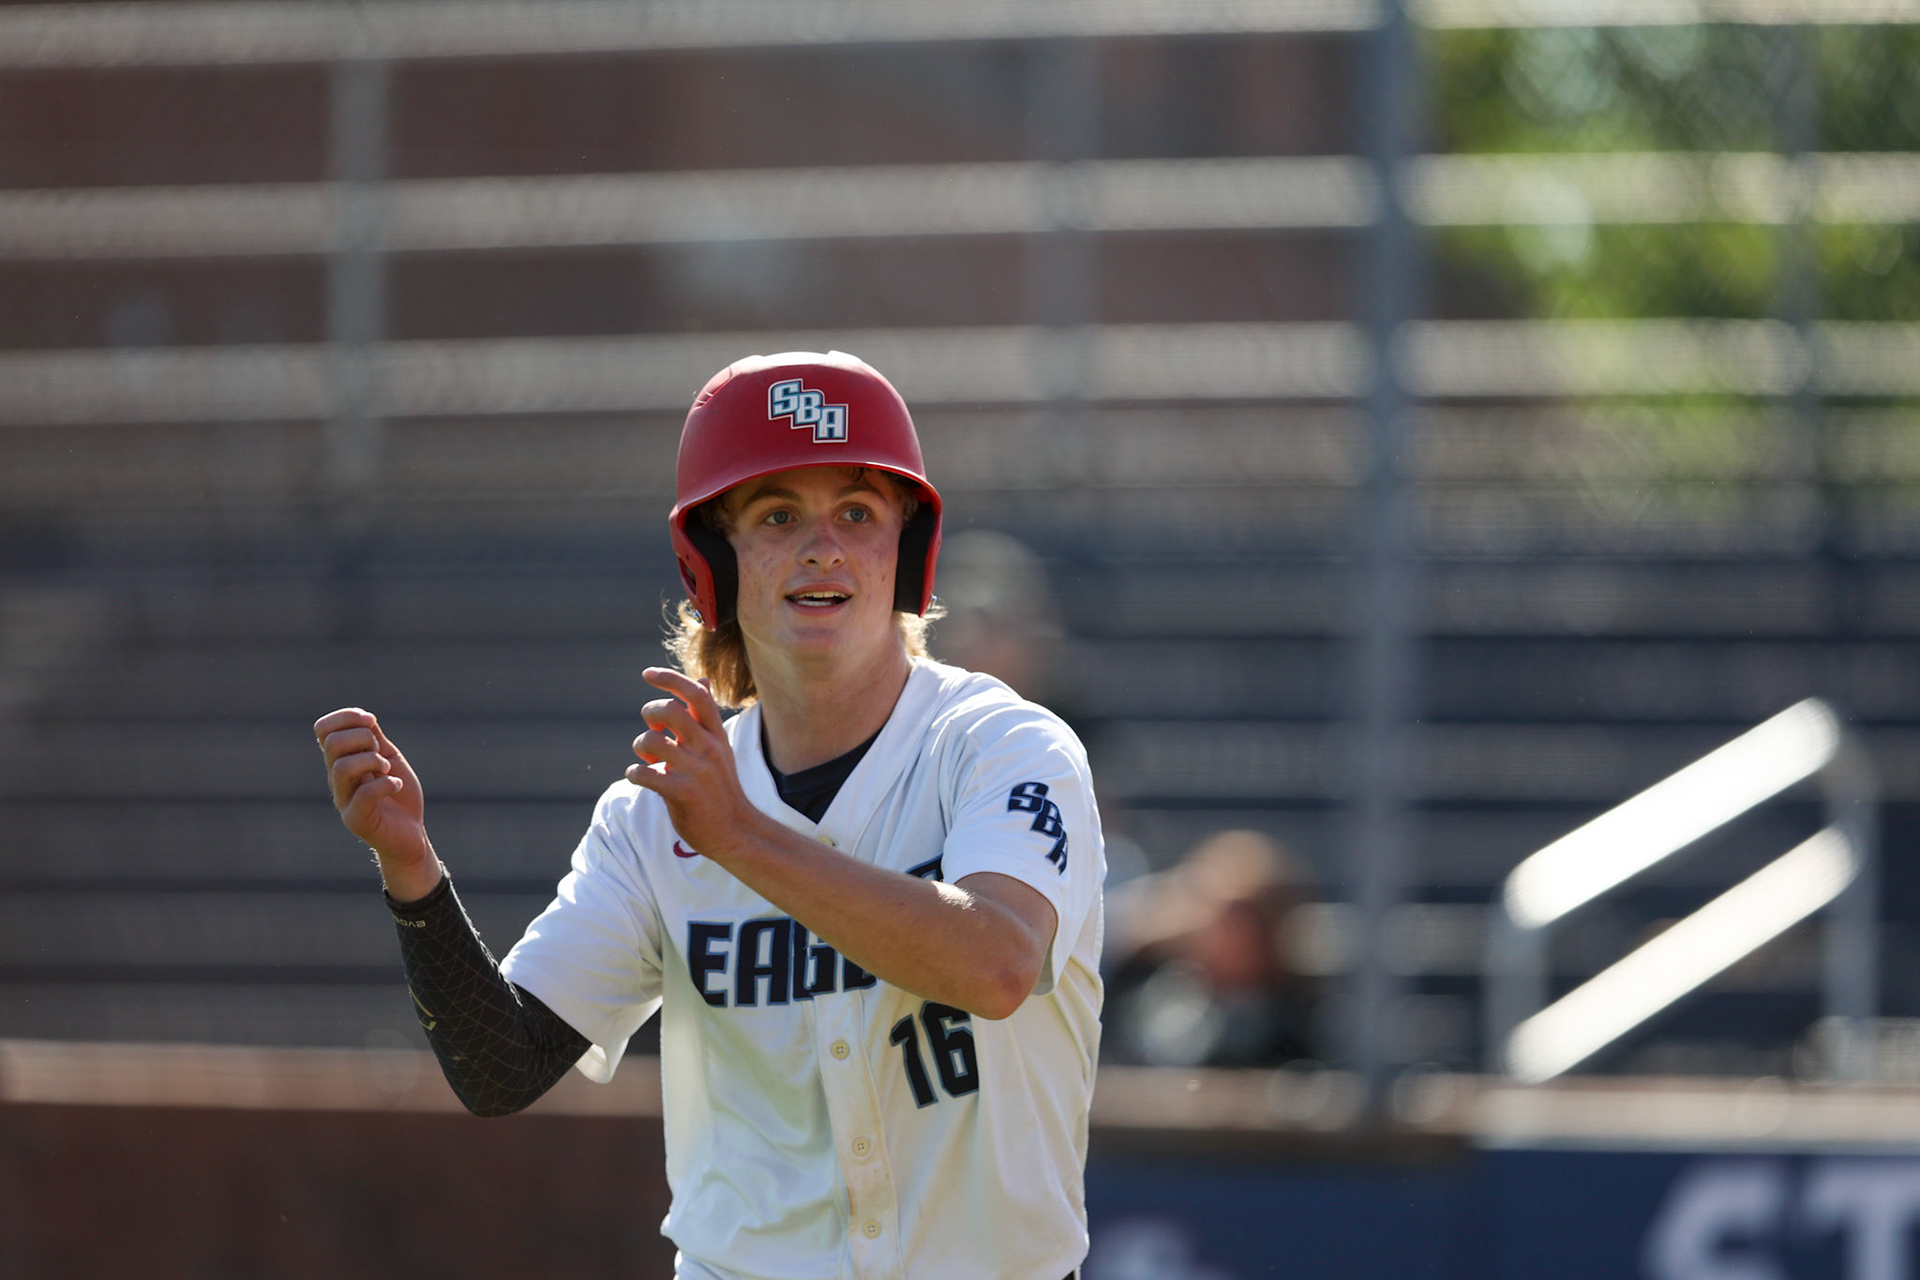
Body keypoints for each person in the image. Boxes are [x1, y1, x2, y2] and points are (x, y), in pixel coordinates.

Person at [314, 350, 1106, 1280]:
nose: (824, 546)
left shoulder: (1004, 747)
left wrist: (738, 834)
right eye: (777, 516)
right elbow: (503, 1067)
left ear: (908, 550)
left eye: (858, 511)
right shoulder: (660, 811)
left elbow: (998, 962)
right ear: (714, 564)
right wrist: (413, 874)